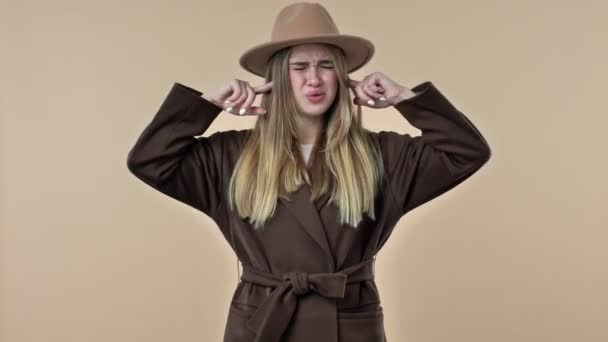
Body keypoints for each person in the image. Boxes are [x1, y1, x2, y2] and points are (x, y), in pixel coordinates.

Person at [126, 2, 491, 342]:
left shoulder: (380, 156)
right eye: (299, 68)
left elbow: (466, 152)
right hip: (263, 323)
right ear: (278, 79)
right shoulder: (231, 156)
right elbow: (151, 160)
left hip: (348, 324)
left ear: (343, 77)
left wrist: (404, 98)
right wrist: (205, 107)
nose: (313, 80)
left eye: (327, 66)